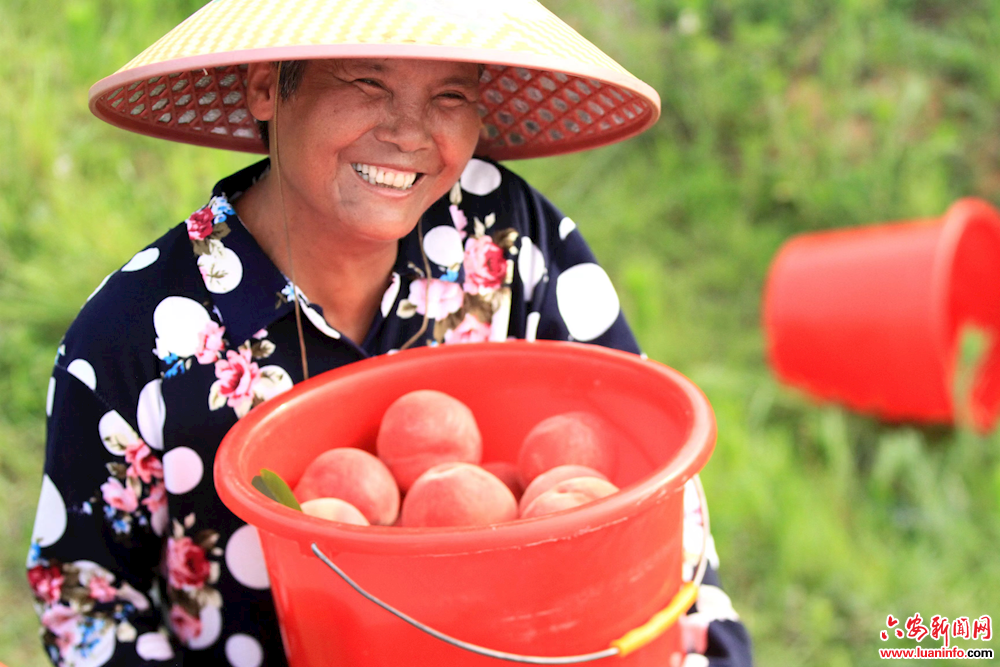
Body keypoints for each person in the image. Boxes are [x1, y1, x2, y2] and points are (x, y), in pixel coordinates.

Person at [26, 1, 752, 665]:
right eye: (367, 83)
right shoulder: (137, 336)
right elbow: (85, 600)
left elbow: (654, 485)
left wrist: (705, 646)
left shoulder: (505, 235)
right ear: (265, 88)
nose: (408, 133)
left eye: (450, 95)